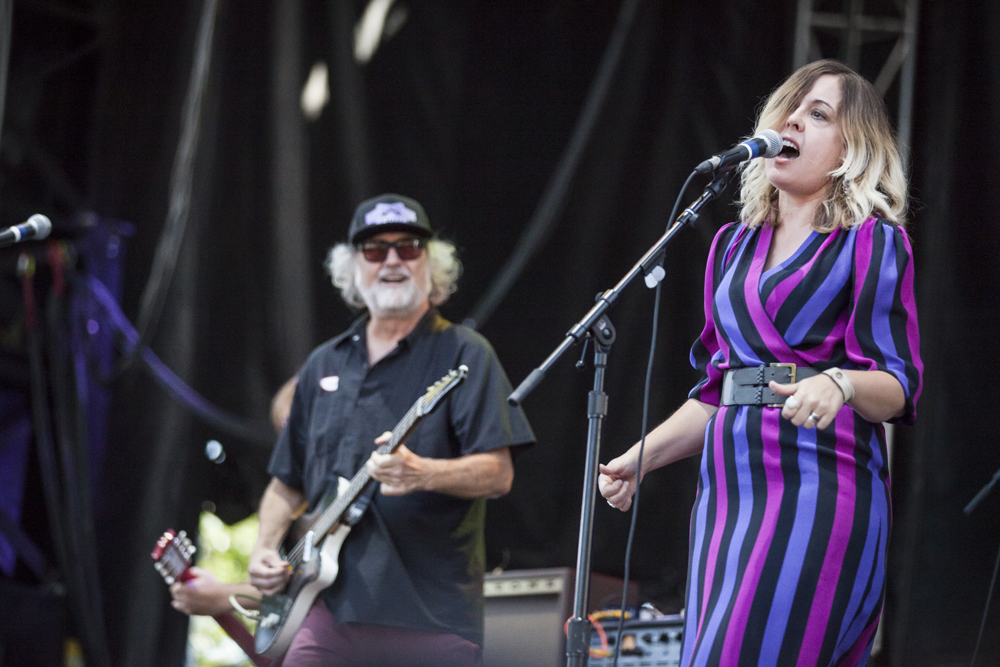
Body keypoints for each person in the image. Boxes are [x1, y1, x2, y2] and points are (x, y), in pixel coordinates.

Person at [599, 60, 922, 667]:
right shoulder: (732, 246)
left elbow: (898, 383)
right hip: (728, 495)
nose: (793, 119)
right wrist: (643, 456)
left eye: (818, 114)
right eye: (789, 109)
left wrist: (840, 383)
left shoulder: (870, 241)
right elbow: (723, 388)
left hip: (818, 486)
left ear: (854, 149)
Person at [248, 193, 535, 667]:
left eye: (409, 247)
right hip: (327, 613)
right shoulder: (324, 363)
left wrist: (423, 473)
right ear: (353, 267)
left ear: (432, 263)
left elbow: (498, 474)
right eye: (376, 250)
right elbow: (286, 481)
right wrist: (263, 549)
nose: (393, 260)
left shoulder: (465, 353)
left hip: (431, 620)